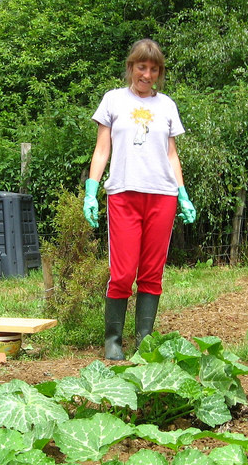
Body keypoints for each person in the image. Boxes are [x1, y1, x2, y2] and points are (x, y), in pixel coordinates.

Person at [83, 39, 196, 360]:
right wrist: (91, 191)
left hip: (163, 196)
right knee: (122, 273)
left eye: (154, 69)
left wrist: (183, 195)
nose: (147, 75)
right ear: (131, 67)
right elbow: (102, 149)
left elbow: (171, 154)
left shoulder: (167, 106)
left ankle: (144, 340)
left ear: (160, 73)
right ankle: (113, 340)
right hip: (123, 195)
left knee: (151, 272)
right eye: (141, 67)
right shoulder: (113, 100)